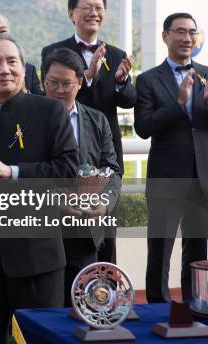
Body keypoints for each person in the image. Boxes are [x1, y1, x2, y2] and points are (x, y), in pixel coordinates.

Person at [0, 35, 78, 343]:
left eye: (12, 61)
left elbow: (68, 171)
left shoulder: (50, 111)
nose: (4, 69)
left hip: (37, 256)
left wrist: (12, 172)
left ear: (24, 68)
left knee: (40, 338)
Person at [134, 12, 208, 303]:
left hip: (202, 178)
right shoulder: (148, 80)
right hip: (166, 177)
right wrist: (178, 104)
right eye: (179, 31)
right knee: (160, 250)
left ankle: (193, 307)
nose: (186, 38)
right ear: (166, 36)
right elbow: (143, 128)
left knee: (196, 249)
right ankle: (158, 308)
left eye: (191, 32)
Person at [41, 0, 136, 265]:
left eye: (99, 8)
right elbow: (51, 98)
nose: (94, 13)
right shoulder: (54, 52)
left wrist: (121, 81)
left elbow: (129, 101)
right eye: (87, 7)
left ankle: (104, 295)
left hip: (101, 148)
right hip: (61, 147)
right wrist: (88, 76)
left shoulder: (117, 53)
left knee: (103, 233)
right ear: (72, 13)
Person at [42, 47, 121, 305]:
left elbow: (113, 169)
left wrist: (104, 204)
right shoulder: (28, 120)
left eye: (67, 84)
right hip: (40, 231)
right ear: (43, 82)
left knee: (84, 305)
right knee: (46, 310)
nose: (59, 90)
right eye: (53, 83)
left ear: (80, 82)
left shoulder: (97, 120)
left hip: (85, 231)